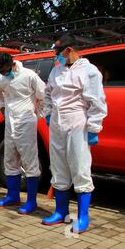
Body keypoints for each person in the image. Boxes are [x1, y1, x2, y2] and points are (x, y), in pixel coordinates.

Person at [43, 34, 107, 233]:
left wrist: (94, 128)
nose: (56, 55)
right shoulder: (56, 71)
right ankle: (61, 211)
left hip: (77, 121)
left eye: (58, 51)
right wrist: (48, 114)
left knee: (79, 168)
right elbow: (47, 93)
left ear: (69, 50)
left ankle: (82, 216)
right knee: (58, 166)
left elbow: (97, 101)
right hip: (57, 123)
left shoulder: (89, 71)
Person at [0, 52, 46, 214]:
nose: (3, 74)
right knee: (9, 159)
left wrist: (39, 114)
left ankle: (31, 201)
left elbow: (43, 95)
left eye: (5, 70)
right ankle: (12, 195)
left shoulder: (29, 75)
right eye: (0, 72)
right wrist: (3, 109)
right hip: (10, 123)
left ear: (12, 64)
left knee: (29, 161)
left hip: (27, 123)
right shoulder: (1, 78)